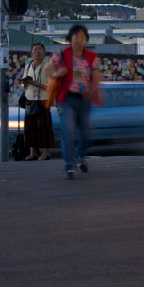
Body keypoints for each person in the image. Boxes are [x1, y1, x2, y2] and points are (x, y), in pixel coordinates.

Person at [48, 24, 102, 180]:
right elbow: (47, 70)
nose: (79, 40)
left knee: (86, 135)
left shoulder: (91, 57)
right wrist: (57, 73)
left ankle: (80, 155)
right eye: (76, 36)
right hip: (66, 100)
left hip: (84, 100)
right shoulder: (62, 55)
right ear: (70, 39)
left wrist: (92, 89)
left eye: (83, 37)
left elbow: (97, 73)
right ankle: (69, 166)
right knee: (69, 133)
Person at [21, 42, 54, 160]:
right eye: (35, 50)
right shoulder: (28, 66)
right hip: (30, 99)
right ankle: (32, 152)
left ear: (44, 53)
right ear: (31, 53)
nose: (37, 52)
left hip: (43, 100)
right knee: (30, 127)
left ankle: (46, 152)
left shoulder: (47, 66)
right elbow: (23, 83)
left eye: (40, 50)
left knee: (44, 126)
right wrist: (24, 83)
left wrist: (36, 84)